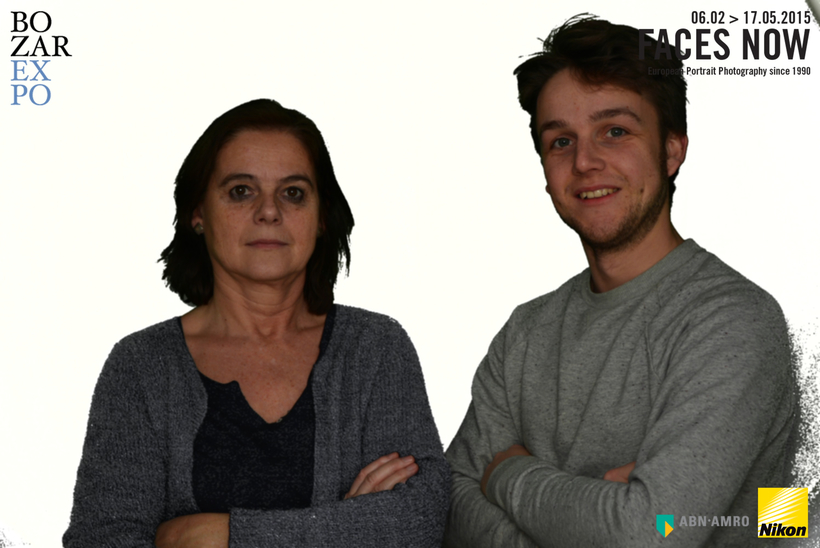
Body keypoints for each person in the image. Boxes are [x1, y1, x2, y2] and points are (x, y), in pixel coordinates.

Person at [444, 15, 796, 547]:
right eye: (560, 140)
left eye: (615, 131)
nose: (585, 161)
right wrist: (592, 517)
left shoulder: (734, 322)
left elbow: (650, 535)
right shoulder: (524, 333)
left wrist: (507, 475)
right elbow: (445, 503)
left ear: (672, 150)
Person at [63, 99, 449, 547]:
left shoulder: (376, 349)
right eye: (241, 191)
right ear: (198, 213)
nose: (269, 211)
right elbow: (101, 540)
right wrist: (347, 528)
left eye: (293, 193)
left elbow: (420, 522)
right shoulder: (142, 366)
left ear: (321, 218)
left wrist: (216, 536)